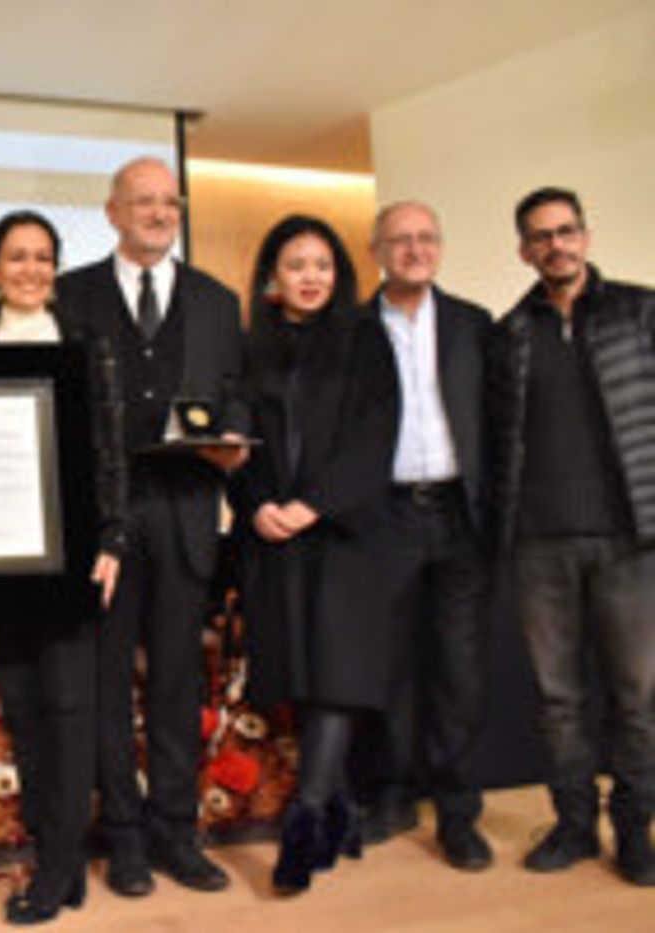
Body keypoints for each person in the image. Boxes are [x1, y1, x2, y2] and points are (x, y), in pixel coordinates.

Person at [57, 157, 248, 896]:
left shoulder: (216, 300)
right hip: (103, 520)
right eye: (144, 202)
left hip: (189, 511)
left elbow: (235, 396)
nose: (160, 213)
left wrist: (233, 436)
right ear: (112, 213)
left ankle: (177, 831)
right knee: (107, 684)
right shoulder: (71, 294)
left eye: (170, 202)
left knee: (175, 685)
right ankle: (126, 839)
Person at [0, 210, 129, 924]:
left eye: (43, 258)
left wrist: (113, 539)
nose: (31, 270)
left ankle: (57, 868)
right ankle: (60, 856)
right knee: (26, 714)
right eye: (16, 257)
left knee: (70, 710)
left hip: (74, 554)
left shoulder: (88, 344)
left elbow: (111, 449)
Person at [491, 186, 655, 886]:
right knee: (558, 700)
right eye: (540, 236)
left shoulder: (641, 311)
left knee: (637, 697)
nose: (555, 244)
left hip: (631, 539)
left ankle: (637, 832)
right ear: (525, 250)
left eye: (566, 231)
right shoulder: (510, 333)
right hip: (538, 543)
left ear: (584, 236)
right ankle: (574, 825)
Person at [230, 214, 399, 895]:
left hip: (346, 533)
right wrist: (256, 503)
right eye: (297, 264)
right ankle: (340, 808)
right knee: (300, 675)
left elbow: (377, 433)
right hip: (278, 536)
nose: (311, 277)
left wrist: (317, 503)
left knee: (337, 675)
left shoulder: (365, 337)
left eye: (323, 265)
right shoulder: (253, 346)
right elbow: (235, 437)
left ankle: (304, 818)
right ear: (273, 275)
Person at [357, 201, 494, 870]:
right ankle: (392, 793)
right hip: (383, 516)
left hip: (457, 516)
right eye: (400, 240)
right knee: (390, 664)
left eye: (425, 238)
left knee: (459, 669)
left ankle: (459, 812)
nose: (414, 249)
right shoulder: (351, 329)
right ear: (376, 249)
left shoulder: (474, 324)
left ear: (438, 246)